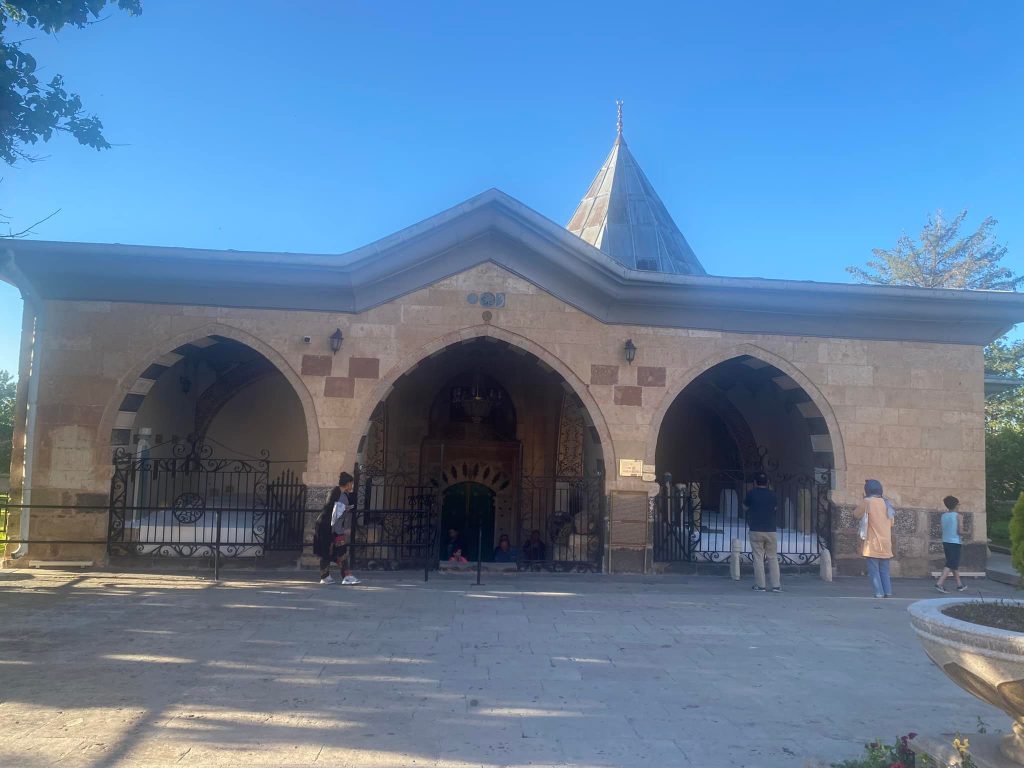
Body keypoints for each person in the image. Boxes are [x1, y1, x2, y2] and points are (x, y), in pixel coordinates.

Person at [317, 472, 361, 585]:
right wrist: (345, 509)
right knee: (341, 552)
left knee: (329, 552)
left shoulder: (335, 492)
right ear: (347, 484)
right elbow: (335, 513)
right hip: (333, 528)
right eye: (351, 483)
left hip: (328, 526)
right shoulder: (340, 495)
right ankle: (347, 576)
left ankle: (325, 576)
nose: (352, 486)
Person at [853, 479, 895, 598]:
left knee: (874, 570)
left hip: (873, 543)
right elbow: (892, 522)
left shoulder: (868, 502)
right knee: (884, 570)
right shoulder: (887, 503)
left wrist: (863, 500)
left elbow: (856, 514)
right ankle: (888, 592)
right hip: (886, 542)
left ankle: (879, 592)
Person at [744, 472, 781, 593]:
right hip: (771, 529)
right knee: (773, 557)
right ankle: (776, 585)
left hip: (755, 529)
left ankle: (760, 585)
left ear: (755, 482)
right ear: (768, 482)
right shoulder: (772, 495)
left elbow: (745, 507)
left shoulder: (751, 494)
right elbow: (775, 508)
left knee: (758, 558)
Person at [936, 495, 968, 593]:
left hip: (946, 541)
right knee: (950, 563)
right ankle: (939, 583)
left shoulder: (943, 516)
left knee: (953, 563)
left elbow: (943, 529)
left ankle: (959, 585)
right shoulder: (959, 516)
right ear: (956, 505)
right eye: (958, 504)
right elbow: (960, 532)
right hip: (955, 542)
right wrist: (968, 532)